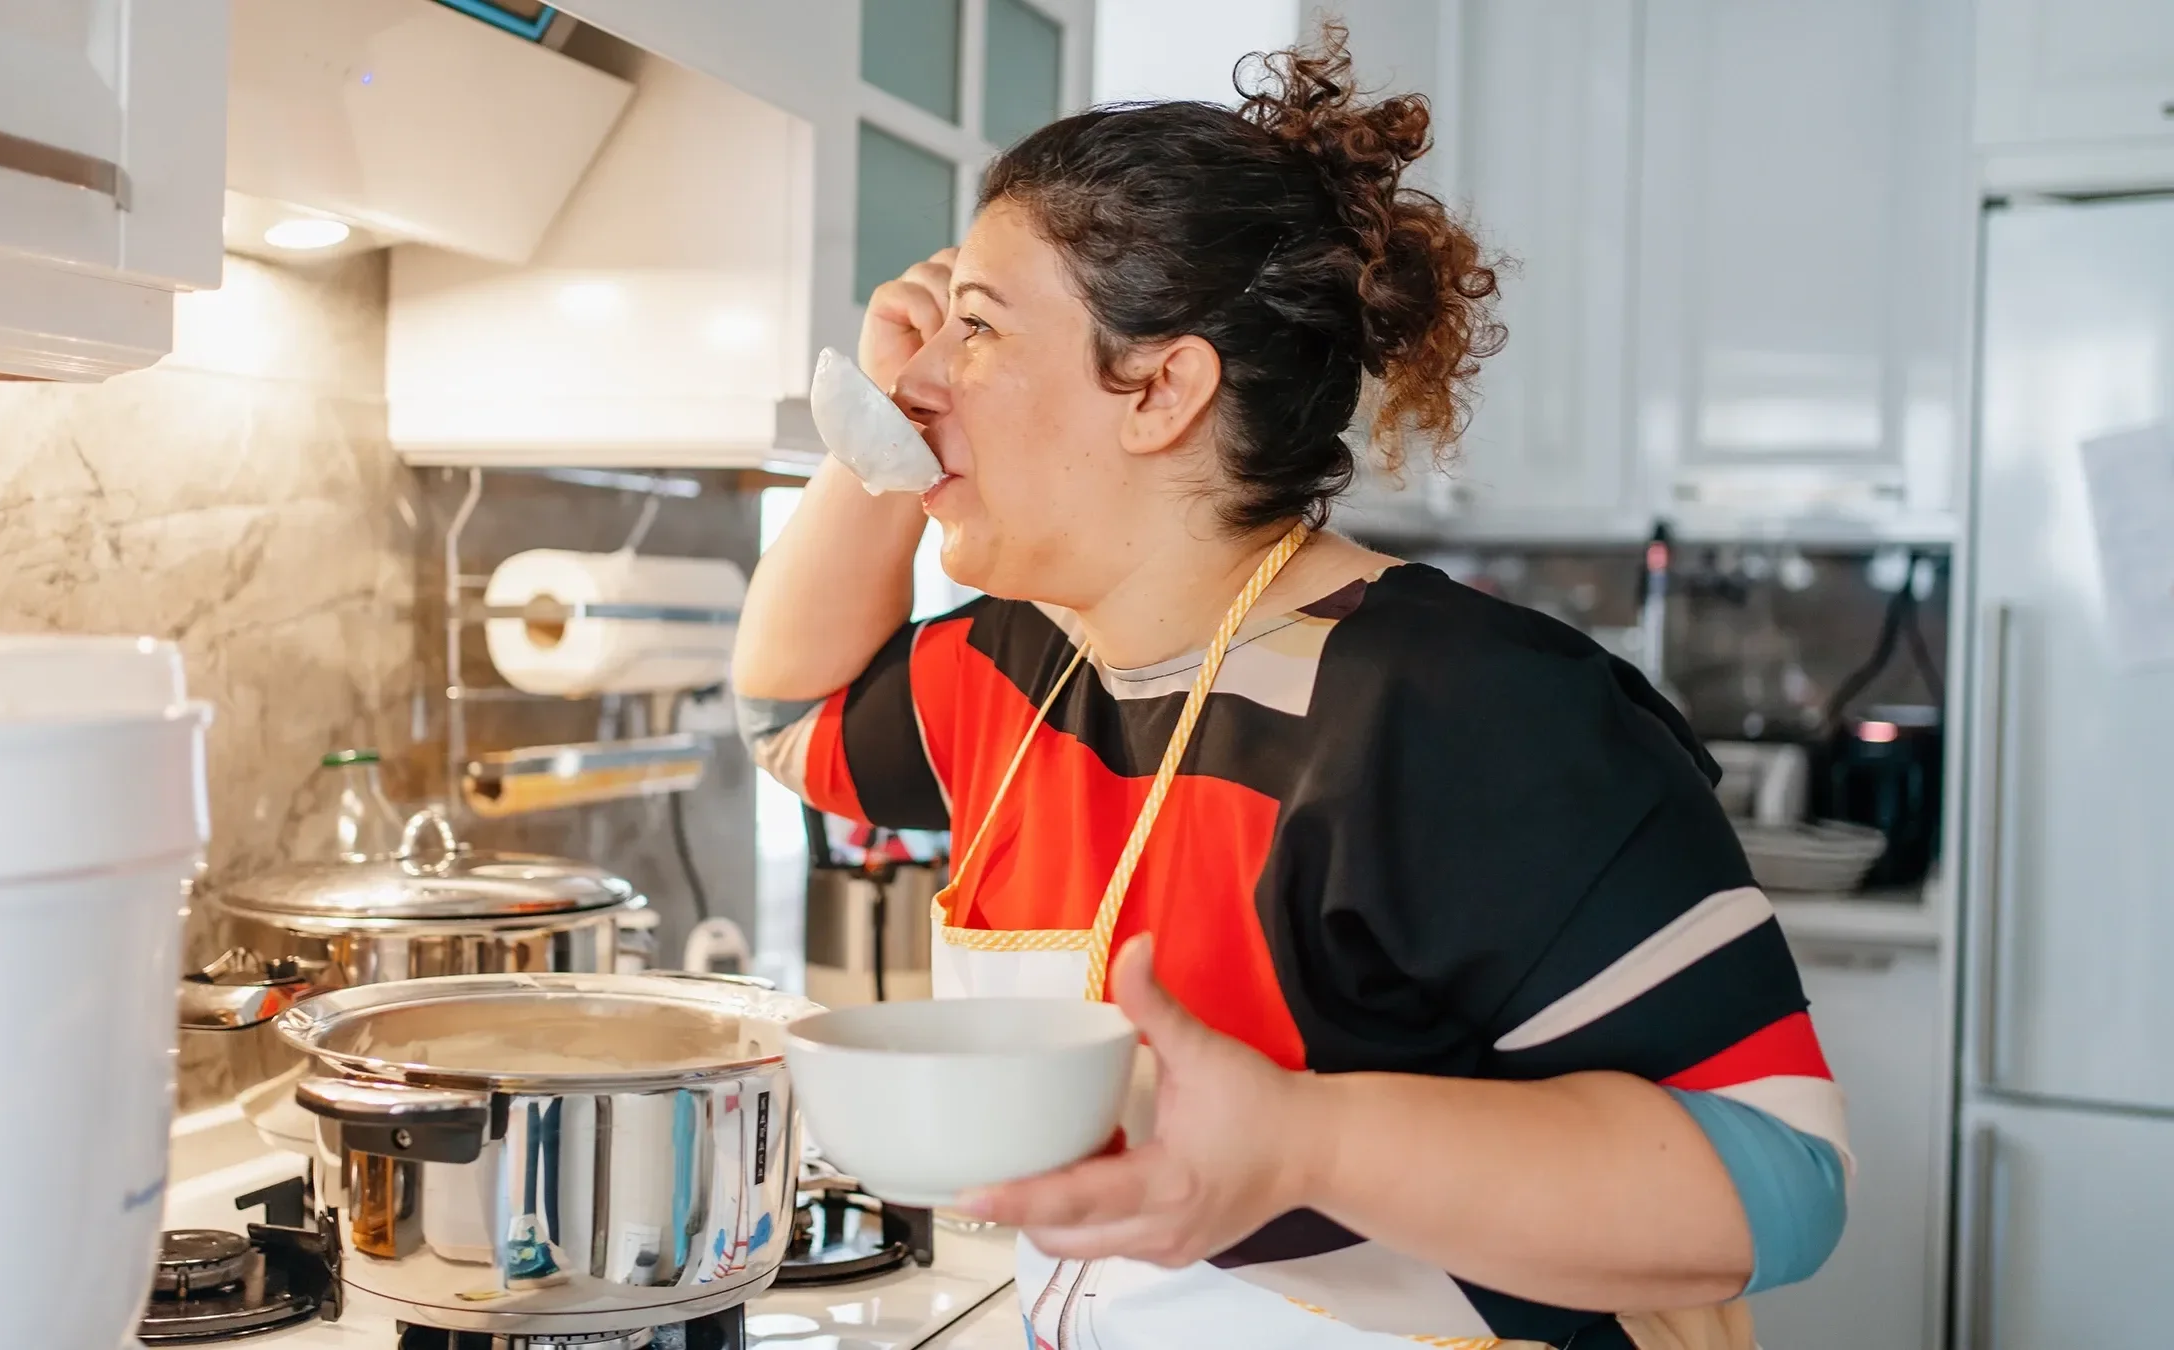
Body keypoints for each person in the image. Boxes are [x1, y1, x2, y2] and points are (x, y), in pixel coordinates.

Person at [734, 26, 1847, 1350]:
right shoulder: (1011, 672)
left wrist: (1307, 1141)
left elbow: (1781, 1180)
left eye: (976, 329)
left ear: (1159, 388)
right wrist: (882, 430)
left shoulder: (1470, 714)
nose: (916, 380)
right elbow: (787, 718)